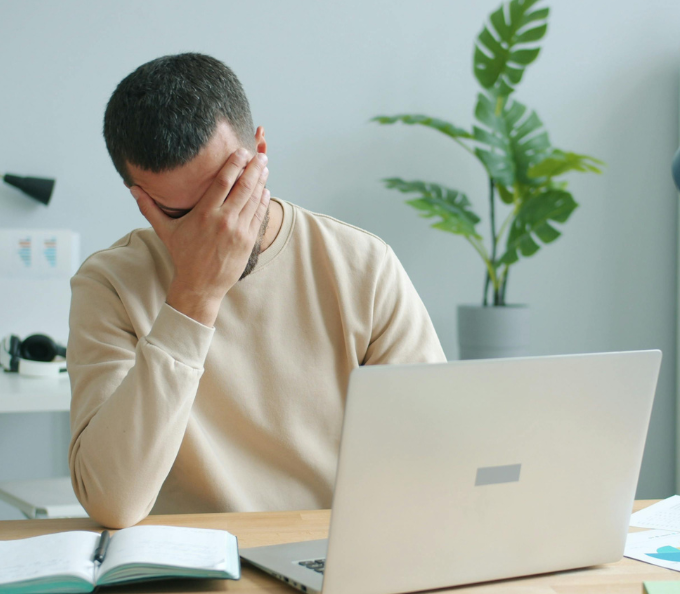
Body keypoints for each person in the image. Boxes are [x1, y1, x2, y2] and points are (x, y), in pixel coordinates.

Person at [67, 53, 446, 528]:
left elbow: (435, 457)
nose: (218, 227)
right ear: (140, 197)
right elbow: (113, 502)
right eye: (182, 215)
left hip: (327, 549)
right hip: (192, 560)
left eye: (228, 192)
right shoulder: (109, 286)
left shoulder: (362, 265)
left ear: (260, 153)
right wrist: (195, 295)